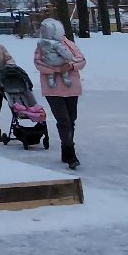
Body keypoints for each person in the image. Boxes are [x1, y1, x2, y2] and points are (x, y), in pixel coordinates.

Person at [33, 18, 86, 170]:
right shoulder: (42, 45)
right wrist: (57, 70)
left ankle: (66, 147)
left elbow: (81, 61)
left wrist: (69, 65)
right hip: (53, 88)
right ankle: (70, 151)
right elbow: (39, 64)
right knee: (63, 120)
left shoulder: (68, 44)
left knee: (71, 119)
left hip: (71, 87)